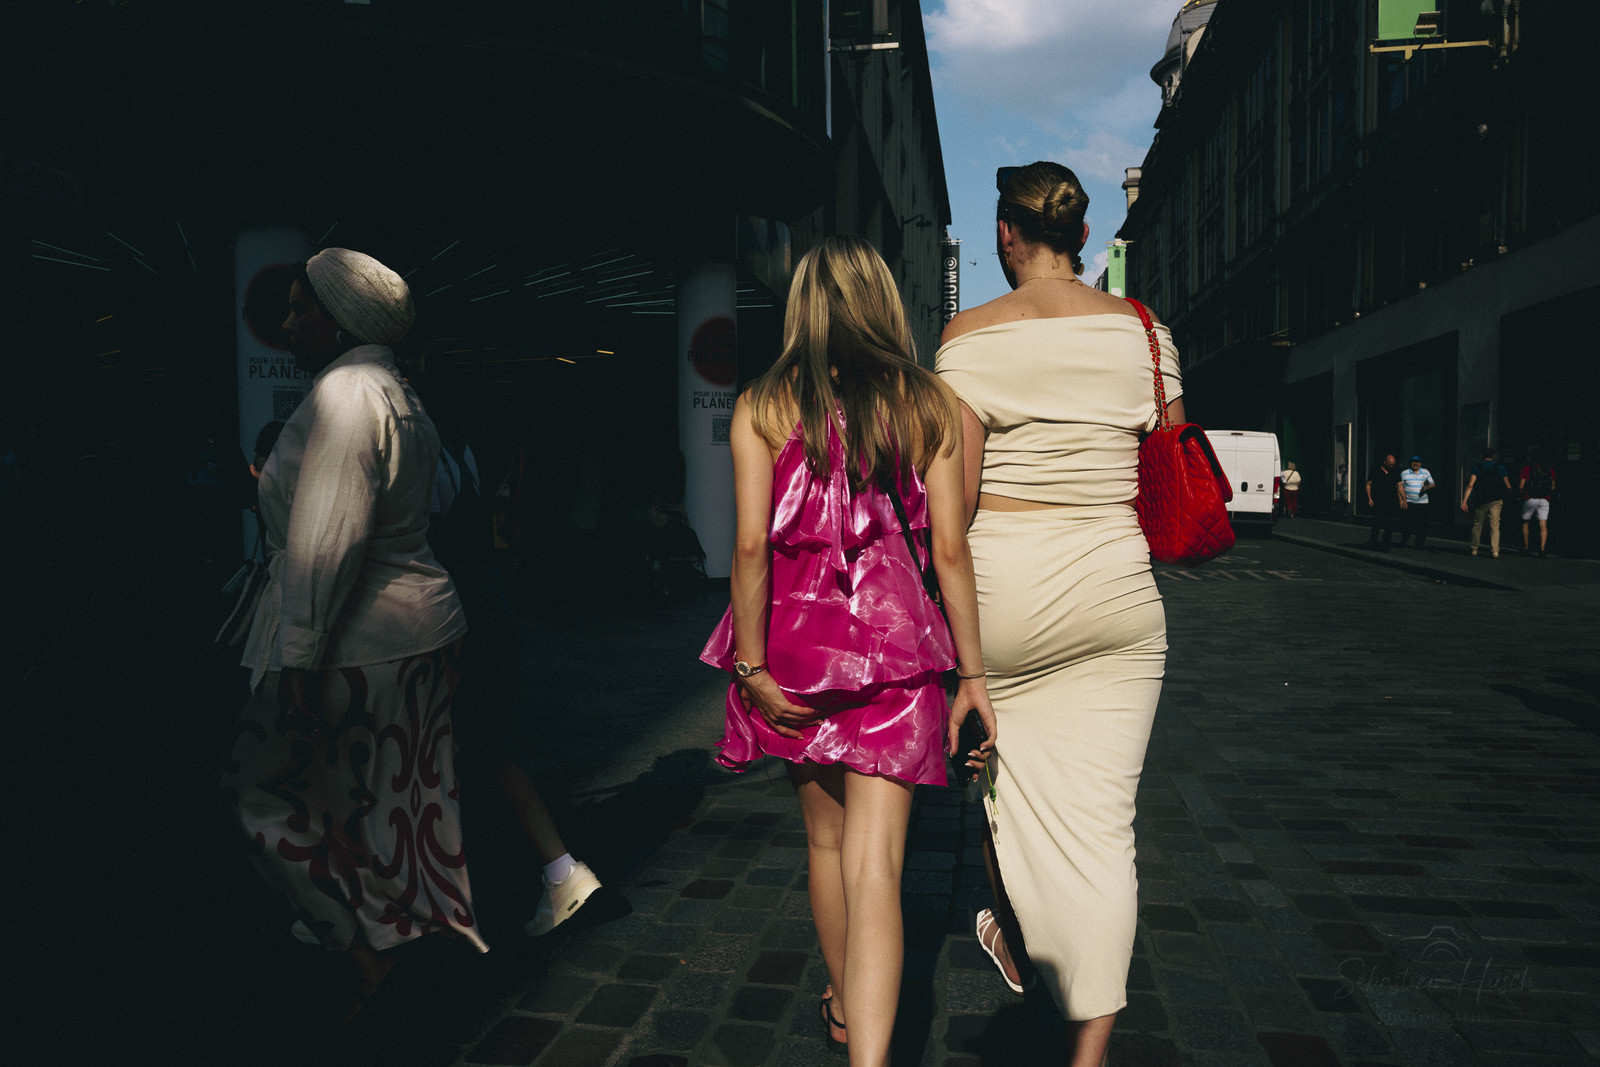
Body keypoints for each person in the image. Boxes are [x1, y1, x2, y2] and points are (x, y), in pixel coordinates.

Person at [701, 236, 994, 1067]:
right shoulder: (928, 402)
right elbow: (950, 550)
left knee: (825, 846)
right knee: (878, 865)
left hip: (793, 649)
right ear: (881, 302)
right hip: (896, 651)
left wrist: (750, 669)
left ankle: (841, 1002)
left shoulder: (762, 404)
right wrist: (973, 677)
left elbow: (751, 546)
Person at [935, 161, 1177, 1066]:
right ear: (1081, 238)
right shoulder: (1145, 331)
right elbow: (1168, 454)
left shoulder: (967, 338)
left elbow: (949, 514)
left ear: (1007, 233)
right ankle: (1088, 1056)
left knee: (1009, 795)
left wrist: (963, 665)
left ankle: (1015, 920)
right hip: (1117, 590)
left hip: (1007, 594)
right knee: (1104, 824)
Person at [222, 249, 484, 1016]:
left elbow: (327, 539)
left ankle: (369, 957)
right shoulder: (398, 390)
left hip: (361, 640)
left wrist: (296, 658)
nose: (289, 321)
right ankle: (414, 952)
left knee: (257, 791)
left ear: (339, 322)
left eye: (302, 308)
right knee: (393, 805)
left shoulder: (341, 395)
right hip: (424, 625)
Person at [412, 352, 628, 938]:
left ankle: (449, 899)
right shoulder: (472, 456)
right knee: (483, 752)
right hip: (485, 618)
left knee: (442, 757)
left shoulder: (436, 458)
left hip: (451, 625)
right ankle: (556, 871)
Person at [1459, 447, 1510, 558]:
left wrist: (1464, 501)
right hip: (1496, 500)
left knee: (1478, 524)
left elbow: (1471, 485)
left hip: (1481, 500)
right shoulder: (1500, 468)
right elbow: (1508, 486)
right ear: (1494, 456)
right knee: (1495, 526)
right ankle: (1495, 551)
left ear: (1482, 455)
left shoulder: (1477, 467)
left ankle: (1474, 548)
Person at [1519, 453, 1556, 557]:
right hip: (1544, 500)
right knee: (1543, 524)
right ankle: (1542, 549)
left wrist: (1520, 496)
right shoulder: (1549, 470)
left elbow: (1521, 486)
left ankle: (1526, 548)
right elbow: (1553, 487)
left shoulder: (1526, 469)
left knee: (1525, 523)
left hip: (1529, 498)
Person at [1365, 453, 1403, 550]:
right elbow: (1368, 485)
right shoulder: (1376, 471)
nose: (1391, 466)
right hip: (1378, 500)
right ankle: (1373, 542)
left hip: (1391, 501)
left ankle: (1386, 544)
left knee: (1389, 523)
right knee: (1377, 521)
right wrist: (1369, 498)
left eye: (1393, 465)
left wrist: (1403, 499)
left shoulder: (1395, 471)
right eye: (1390, 465)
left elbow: (1400, 486)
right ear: (1385, 462)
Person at [1397, 455, 1435, 549]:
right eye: (1414, 462)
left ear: (1420, 463)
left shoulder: (1425, 472)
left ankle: (1419, 544)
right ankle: (1404, 541)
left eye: (1418, 462)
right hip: (1409, 502)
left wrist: (1425, 488)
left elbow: (1432, 484)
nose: (1416, 464)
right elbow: (1399, 488)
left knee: (1422, 525)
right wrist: (1401, 501)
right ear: (1410, 463)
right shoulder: (1404, 473)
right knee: (1407, 524)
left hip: (1423, 503)